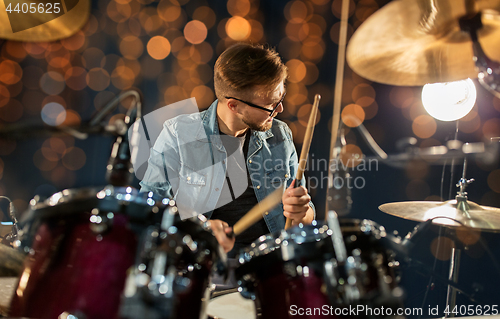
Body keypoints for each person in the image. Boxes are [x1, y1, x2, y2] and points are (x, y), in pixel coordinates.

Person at [140, 43, 315, 257]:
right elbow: (148, 213)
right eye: (271, 104)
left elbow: (305, 216)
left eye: (281, 98)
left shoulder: (280, 135)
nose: (280, 109)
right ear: (234, 105)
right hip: (204, 264)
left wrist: (302, 212)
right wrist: (200, 229)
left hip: (269, 267)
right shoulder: (178, 134)